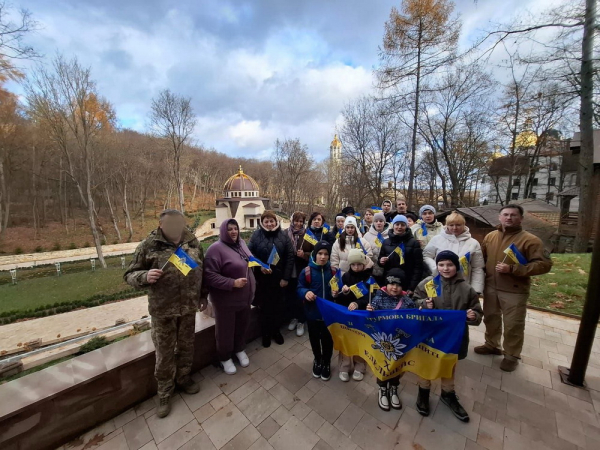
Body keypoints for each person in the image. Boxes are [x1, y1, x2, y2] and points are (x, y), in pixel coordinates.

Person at [124, 209, 206, 418]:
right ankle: (165, 392)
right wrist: (144, 276)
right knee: (164, 353)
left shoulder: (192, 242)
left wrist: (203, 296)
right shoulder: (148, 246)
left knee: (187, 346)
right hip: (163, 311)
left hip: (188, 308)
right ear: (161, 225)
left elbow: (201, 272)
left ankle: (184, 379)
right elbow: (129, 275)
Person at [474, 204, 553, 372]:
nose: (509, 218)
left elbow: (544, 265)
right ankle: (491, 345)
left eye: (513, 215)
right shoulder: (490, 236)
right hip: (491, 287)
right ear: (499, 217)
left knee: (513, 325)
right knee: (491, 319)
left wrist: (513, 269)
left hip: (515, 290)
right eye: (506, 214)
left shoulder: (530, 240)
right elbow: (481, 258)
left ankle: (511, 355)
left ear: (521, 219)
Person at [413, 251, 483, 422]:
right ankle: (423, 391)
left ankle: (448, 393)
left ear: (456, 266)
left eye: (450, 264)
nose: (445, 268)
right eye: (441, 264)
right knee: (427, 362)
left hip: (453, 336)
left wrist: (473, 315)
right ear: (437, 266)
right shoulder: (428, 283)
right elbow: (414, 301)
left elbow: (477, 310)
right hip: (430, 334)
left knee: (448, 364)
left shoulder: (466, 289)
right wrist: (423, 304)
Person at [203, 219, 256, 375]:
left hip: (245, 299)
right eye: (230, 229)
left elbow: (250, 261)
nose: (234, 232)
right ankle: (225, 357)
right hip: (226, 301)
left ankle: (239, 349)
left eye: (235, 229)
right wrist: (232, 283)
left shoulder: (241, 244)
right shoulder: (215, 250)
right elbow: (209, 276)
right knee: (225, 331)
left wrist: (261, 267)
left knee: (242, 326)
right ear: (223, 231)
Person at [367, 268, 416, 411]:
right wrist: (369, 309)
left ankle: (394, 388)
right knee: (383, 365)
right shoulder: (378, 298)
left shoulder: (407, 301)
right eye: (391, 284)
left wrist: (422, 309)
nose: (394, 287)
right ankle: (382, 389)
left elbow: (414, 316)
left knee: (397, 366)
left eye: (398, 285)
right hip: (383, 341)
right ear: (386, 284)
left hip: (401, 342)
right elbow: (371, 313)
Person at [248, 210, 295, 348]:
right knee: (264, 308)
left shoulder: (283, 236)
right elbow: (249, 254)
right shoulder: (256, 235)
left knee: (278, 307)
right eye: (266, 221)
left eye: (271, 221)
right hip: (262, 280)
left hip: (279, 279)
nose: (269, 224)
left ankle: (276, 331)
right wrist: (260, 266)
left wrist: (286, 278)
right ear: (262, 223)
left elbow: (290, 257)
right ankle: (266, 333)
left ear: (276, 221)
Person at [297, 241, 337, 381]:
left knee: (327, 340)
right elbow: (299, 287)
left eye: (326, 254)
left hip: (328, 315)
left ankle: (326, 362)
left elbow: (339, 289)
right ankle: (317, 360)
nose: (323, 257)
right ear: (315, 254)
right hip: (312, 313)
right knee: (314, 339)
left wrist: (338, 292)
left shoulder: (333, 271)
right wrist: (305, 292)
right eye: (320, 253)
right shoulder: (306, 271)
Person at [423, 212, 485, 294]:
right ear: (447, 225)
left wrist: (476, 289)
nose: (455, 228)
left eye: (458, 225)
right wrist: (436, 268)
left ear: (464, 225)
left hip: (463, 285)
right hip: (439, 284)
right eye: (451, 225)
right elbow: (426, 256)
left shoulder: (473, 243)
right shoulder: (436, 239)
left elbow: (477, 268)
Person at [333, 249, 371, 382]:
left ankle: (360, 366)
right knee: (346, 339)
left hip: (361, 315)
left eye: (359, 264)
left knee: (360, 340)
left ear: (363, 264)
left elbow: (370, 298)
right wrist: (343, 292)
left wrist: (357, 303)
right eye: (353, 264)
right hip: (347, 314)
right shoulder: (345, 277)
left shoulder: (369, 279)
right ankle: (344, 366)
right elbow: (340, 300)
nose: (356, 267)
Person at [379, 215, 423, 293]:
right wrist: (381, 261)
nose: (399, 227)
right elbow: (380, 260)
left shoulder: (414, 243)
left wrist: (412, 287)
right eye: (397, 224)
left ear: (406, 226)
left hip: (406, 282)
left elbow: (418, 267)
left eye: (402, 225)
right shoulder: (386, 242)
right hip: (390, 282)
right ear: (393, 225)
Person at [286, 211, 308, 337]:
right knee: (291, 296)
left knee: (301, 297)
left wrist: (304, 255)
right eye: (296, 221)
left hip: (302, 271)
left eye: (301, 221)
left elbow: (314, 253)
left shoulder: (307, 235)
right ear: (292, 221)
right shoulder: (285, 233)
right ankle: (293, 318)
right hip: (289, 271)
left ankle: (301, 321)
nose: (299, 224)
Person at [362, 212, 389, 284]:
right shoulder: (367, 236)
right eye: (376, 221)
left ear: (384, 222)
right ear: (373, 223)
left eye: (381, 221)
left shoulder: (390, 235)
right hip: (371, 270)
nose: (378, 223)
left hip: (386, 271)